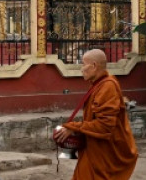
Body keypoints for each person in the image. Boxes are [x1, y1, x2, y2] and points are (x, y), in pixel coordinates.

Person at [54, 49, 138, 180]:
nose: (81, 69)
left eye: (83, 64)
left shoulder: (108, 86)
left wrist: (74, 127)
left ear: (94, 66)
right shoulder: (99, 84)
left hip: (105, 154)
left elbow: (105, 126)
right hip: (94, 150)